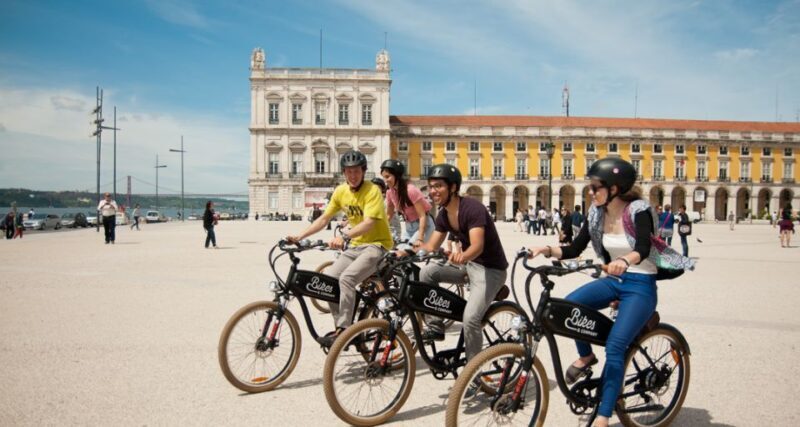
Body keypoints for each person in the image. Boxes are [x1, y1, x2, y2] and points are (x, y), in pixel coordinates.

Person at [527, 158, 695, 427]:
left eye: (596, 187)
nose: (590, 192)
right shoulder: (596, 213)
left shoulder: (637, 210)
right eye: (591, 187)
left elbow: (642, 246)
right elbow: (573, 248)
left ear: (615, 188)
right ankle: (586, 357)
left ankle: (604, 416)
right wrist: (545, 250)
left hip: (640, 284)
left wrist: (626, 261)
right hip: (613, 280)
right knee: (567, 308)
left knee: (616, 347)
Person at [287, 150, 393, 347]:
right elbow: (324, 218)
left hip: (377, 246)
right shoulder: (340, 191)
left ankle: (345, 331)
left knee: (347, 278)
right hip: (355, 246)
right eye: (349, 172)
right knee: (330, 280)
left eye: (357, 171)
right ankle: (340, 327)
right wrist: (299, 237)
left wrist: (344, 236)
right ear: (344, 172)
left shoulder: (372, 191)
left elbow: (369, 223)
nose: (353, 176)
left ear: (363, 171)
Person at [408, 164, 509, 362]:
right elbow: (431, 246)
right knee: (427, 273)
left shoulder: (473, 209)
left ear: (453, 187)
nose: (433, 191)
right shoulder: (444, 214)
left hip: (490, 269)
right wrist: (406, 251)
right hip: (469, 266)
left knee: (470, 319)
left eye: (438, 186)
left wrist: (462, 256)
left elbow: (477, 246)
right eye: (431, 186)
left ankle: (474, 373)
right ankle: (436, 325)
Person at [380, 159, 434, 247]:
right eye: (383, 177)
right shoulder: (390, 192)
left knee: (406, 251)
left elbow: (422, 215)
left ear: (397, 175)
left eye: (387, 176)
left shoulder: (411, 190)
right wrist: (378, 230)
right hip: (409, 227)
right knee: (397, 251)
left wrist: (420, 239)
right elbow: (389, 215)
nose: (385, 180)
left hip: (424, 226)